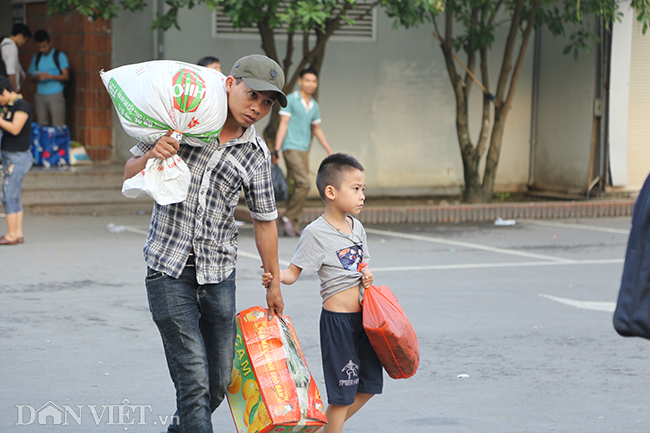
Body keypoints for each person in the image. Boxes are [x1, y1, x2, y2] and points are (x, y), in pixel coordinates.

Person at [122, 54, 287, 433]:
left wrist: (274, 280)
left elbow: (265, 221)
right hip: (168, 268)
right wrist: (152, 153)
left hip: (219, 275)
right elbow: (128, 173)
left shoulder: (256, 154)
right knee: (194, 381)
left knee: (217, 383)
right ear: (230, 83)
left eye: (266, 103)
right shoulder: (181, 123)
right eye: (252, 95)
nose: (257, 108)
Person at [262, 153, 382, 433]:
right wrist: (274, 274)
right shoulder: (315, 233)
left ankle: (320, 430)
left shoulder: (357, 228)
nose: (362, 195)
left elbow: (360, 267)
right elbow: (293, 273)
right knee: (342, 395)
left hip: (364, 320)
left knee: (369, 385)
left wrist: (367, 276)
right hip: (338, 324)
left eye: (363, 189)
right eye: (355, 189)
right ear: (331, 192)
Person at [274, 68, 333, 236]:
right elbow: (283, 124)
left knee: (297, 185)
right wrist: (277, 148)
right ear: (300, 81)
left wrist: (329, 150)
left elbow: (317, 129)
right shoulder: (291, 100)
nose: (311, 84)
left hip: (304, 149)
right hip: (290, 147)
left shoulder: (314, 105)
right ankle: (289, 217)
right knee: (305, 183)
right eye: (307, 80)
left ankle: (291, 222)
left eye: (314, 81)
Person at [0, 76, 32, 245]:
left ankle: (12, 235)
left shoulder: (22, 105)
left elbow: (15, 128)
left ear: (5, 91)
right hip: (11, 157)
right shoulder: (9, 106)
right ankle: (17, 233)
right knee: (14, 196)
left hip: (17, 157)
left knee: (8, 196)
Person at [27, 30, 69, 127]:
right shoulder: (37, 57)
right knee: (42, 124)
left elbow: (66, 76)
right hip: (40, 94)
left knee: (58, 124)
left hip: (56, 93)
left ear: (50, 43)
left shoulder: (59, 56)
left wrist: (49, 76)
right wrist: (37, 77)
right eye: (39, 47)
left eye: (44, 46)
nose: (42, 49)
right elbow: (31, 76)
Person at [0, 23, 31, 92]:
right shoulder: (12, 47)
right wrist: (14, 90)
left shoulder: (3, 44)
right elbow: (11, 72)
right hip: (9, 89)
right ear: (20, 36)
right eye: (25, 40)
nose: (24, 43)